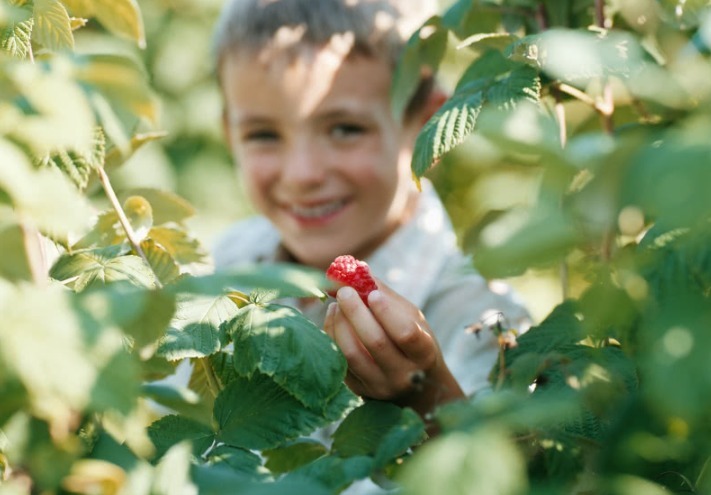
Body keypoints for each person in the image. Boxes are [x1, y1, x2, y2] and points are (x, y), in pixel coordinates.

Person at [211, 0, 530, 443]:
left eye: (345, 129)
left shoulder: (486, 324)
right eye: (263, 135)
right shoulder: (220, 269)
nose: (302, 174)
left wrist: (425, 398)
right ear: (230, 134)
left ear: (426, 123)